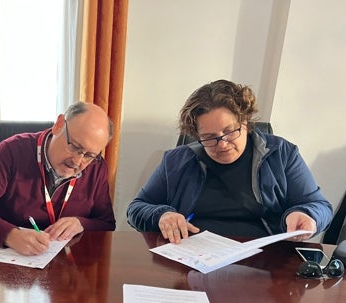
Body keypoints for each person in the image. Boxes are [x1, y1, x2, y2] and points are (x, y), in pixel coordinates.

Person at [127, 79, 333, 244]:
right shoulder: (176, 161)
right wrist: (161, 215)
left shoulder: (281, 154)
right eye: (209, 137)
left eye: (229, 131)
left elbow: (320, 206)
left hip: (265, 262)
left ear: (246, 122)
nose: (222, 144)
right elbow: (136, 209)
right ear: (196, 135)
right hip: (193, 259)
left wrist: (306, 214)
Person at [0, 102, 116, 255]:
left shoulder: (96, 167)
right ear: (58, 125)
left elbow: (107, 224)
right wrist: (10, 235)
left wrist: (81, 223)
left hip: (63, 271)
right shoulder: (13, 151)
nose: (78, 161)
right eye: (75, 147)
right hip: (7, 267)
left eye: (89, 155)